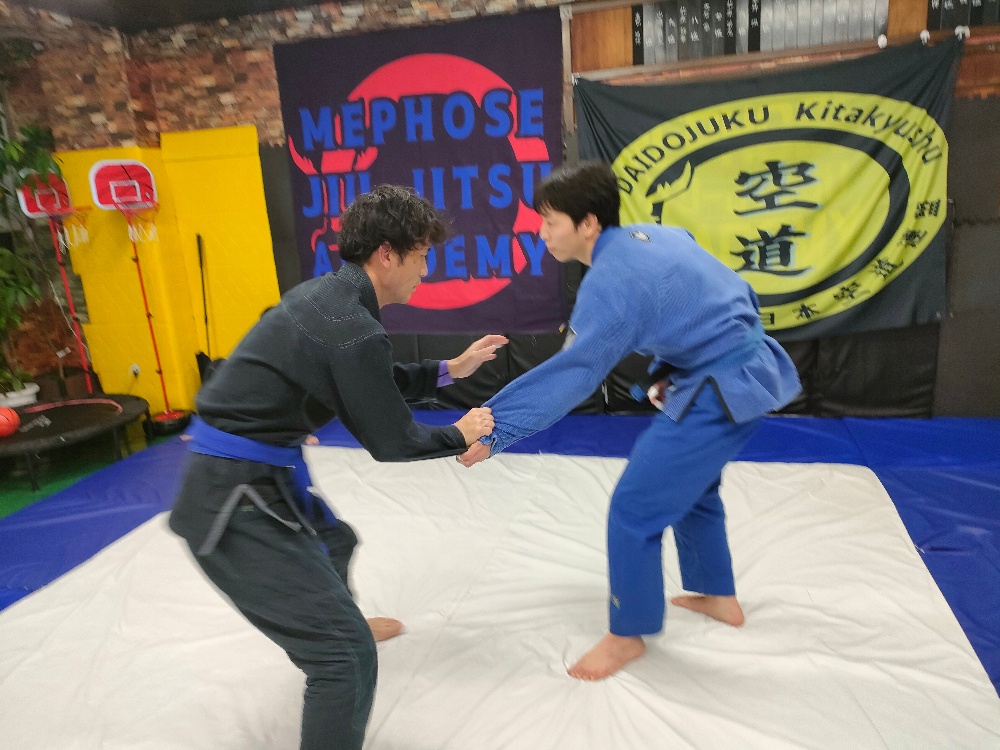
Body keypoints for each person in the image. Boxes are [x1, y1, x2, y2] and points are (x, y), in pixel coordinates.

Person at [170, 184, 505, 750]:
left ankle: (339, 619)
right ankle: (339, 634)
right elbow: (392, 439)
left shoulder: (327, 299)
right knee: (345, 658)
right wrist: (459, 434)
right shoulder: (352, 325)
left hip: (249, 475)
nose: (427, 269)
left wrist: (450, 368)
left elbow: (368, 380)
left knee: (335, 541)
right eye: (422, 255)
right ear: (387, 254)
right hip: (228, 500)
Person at [458, 161, 801, 681]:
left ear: (588, 223)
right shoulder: (657, 235)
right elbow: (714, 293)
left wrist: (496, 427)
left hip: (723, 385)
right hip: (744, 365)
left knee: (634, 507)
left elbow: (574, 373)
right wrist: (682, 362)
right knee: (693, 488)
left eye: (550, 221)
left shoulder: (610, 283)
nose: (541, 231)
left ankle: (627, 634)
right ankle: (719, 596)